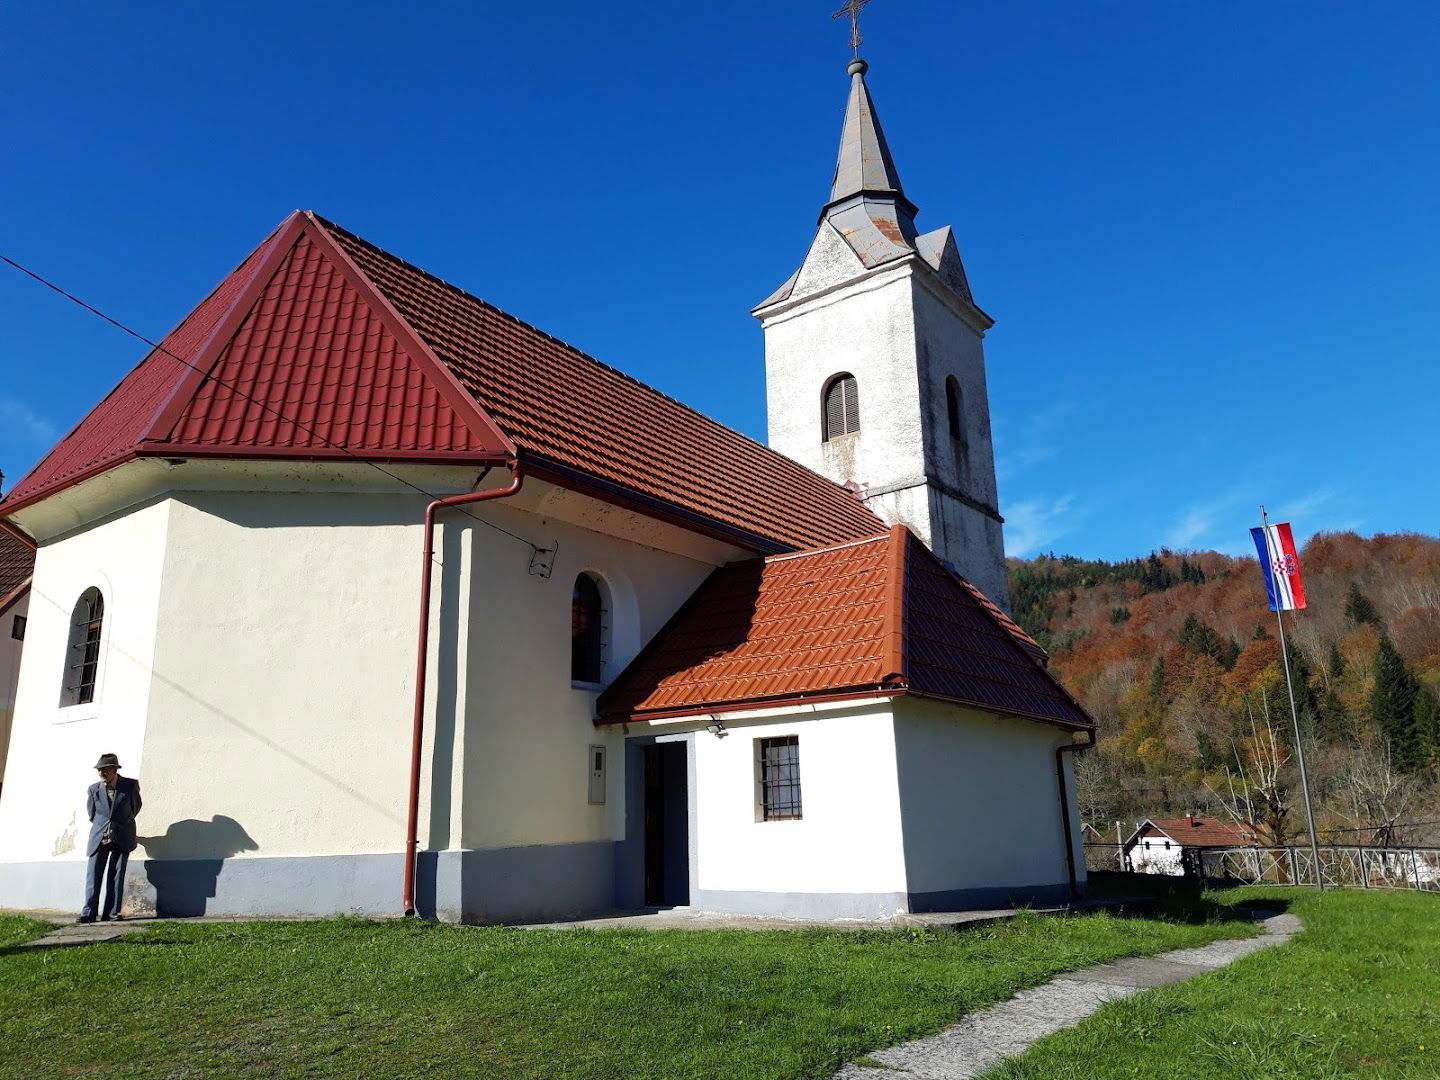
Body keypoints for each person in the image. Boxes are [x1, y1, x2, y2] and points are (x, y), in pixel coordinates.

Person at [80, 753, 142, 923]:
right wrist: (104, 826)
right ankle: (88, 913)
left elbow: (135, 807)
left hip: (122, 835)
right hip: (99, 836)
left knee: (117, 875)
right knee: (93, 875)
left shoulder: (130, 786)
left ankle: (112, 912)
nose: (101, 773)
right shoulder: (93, 789)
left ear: (114, 770)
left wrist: (120, 823)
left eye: (105, 770)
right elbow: (92, 814)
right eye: (99, 770)